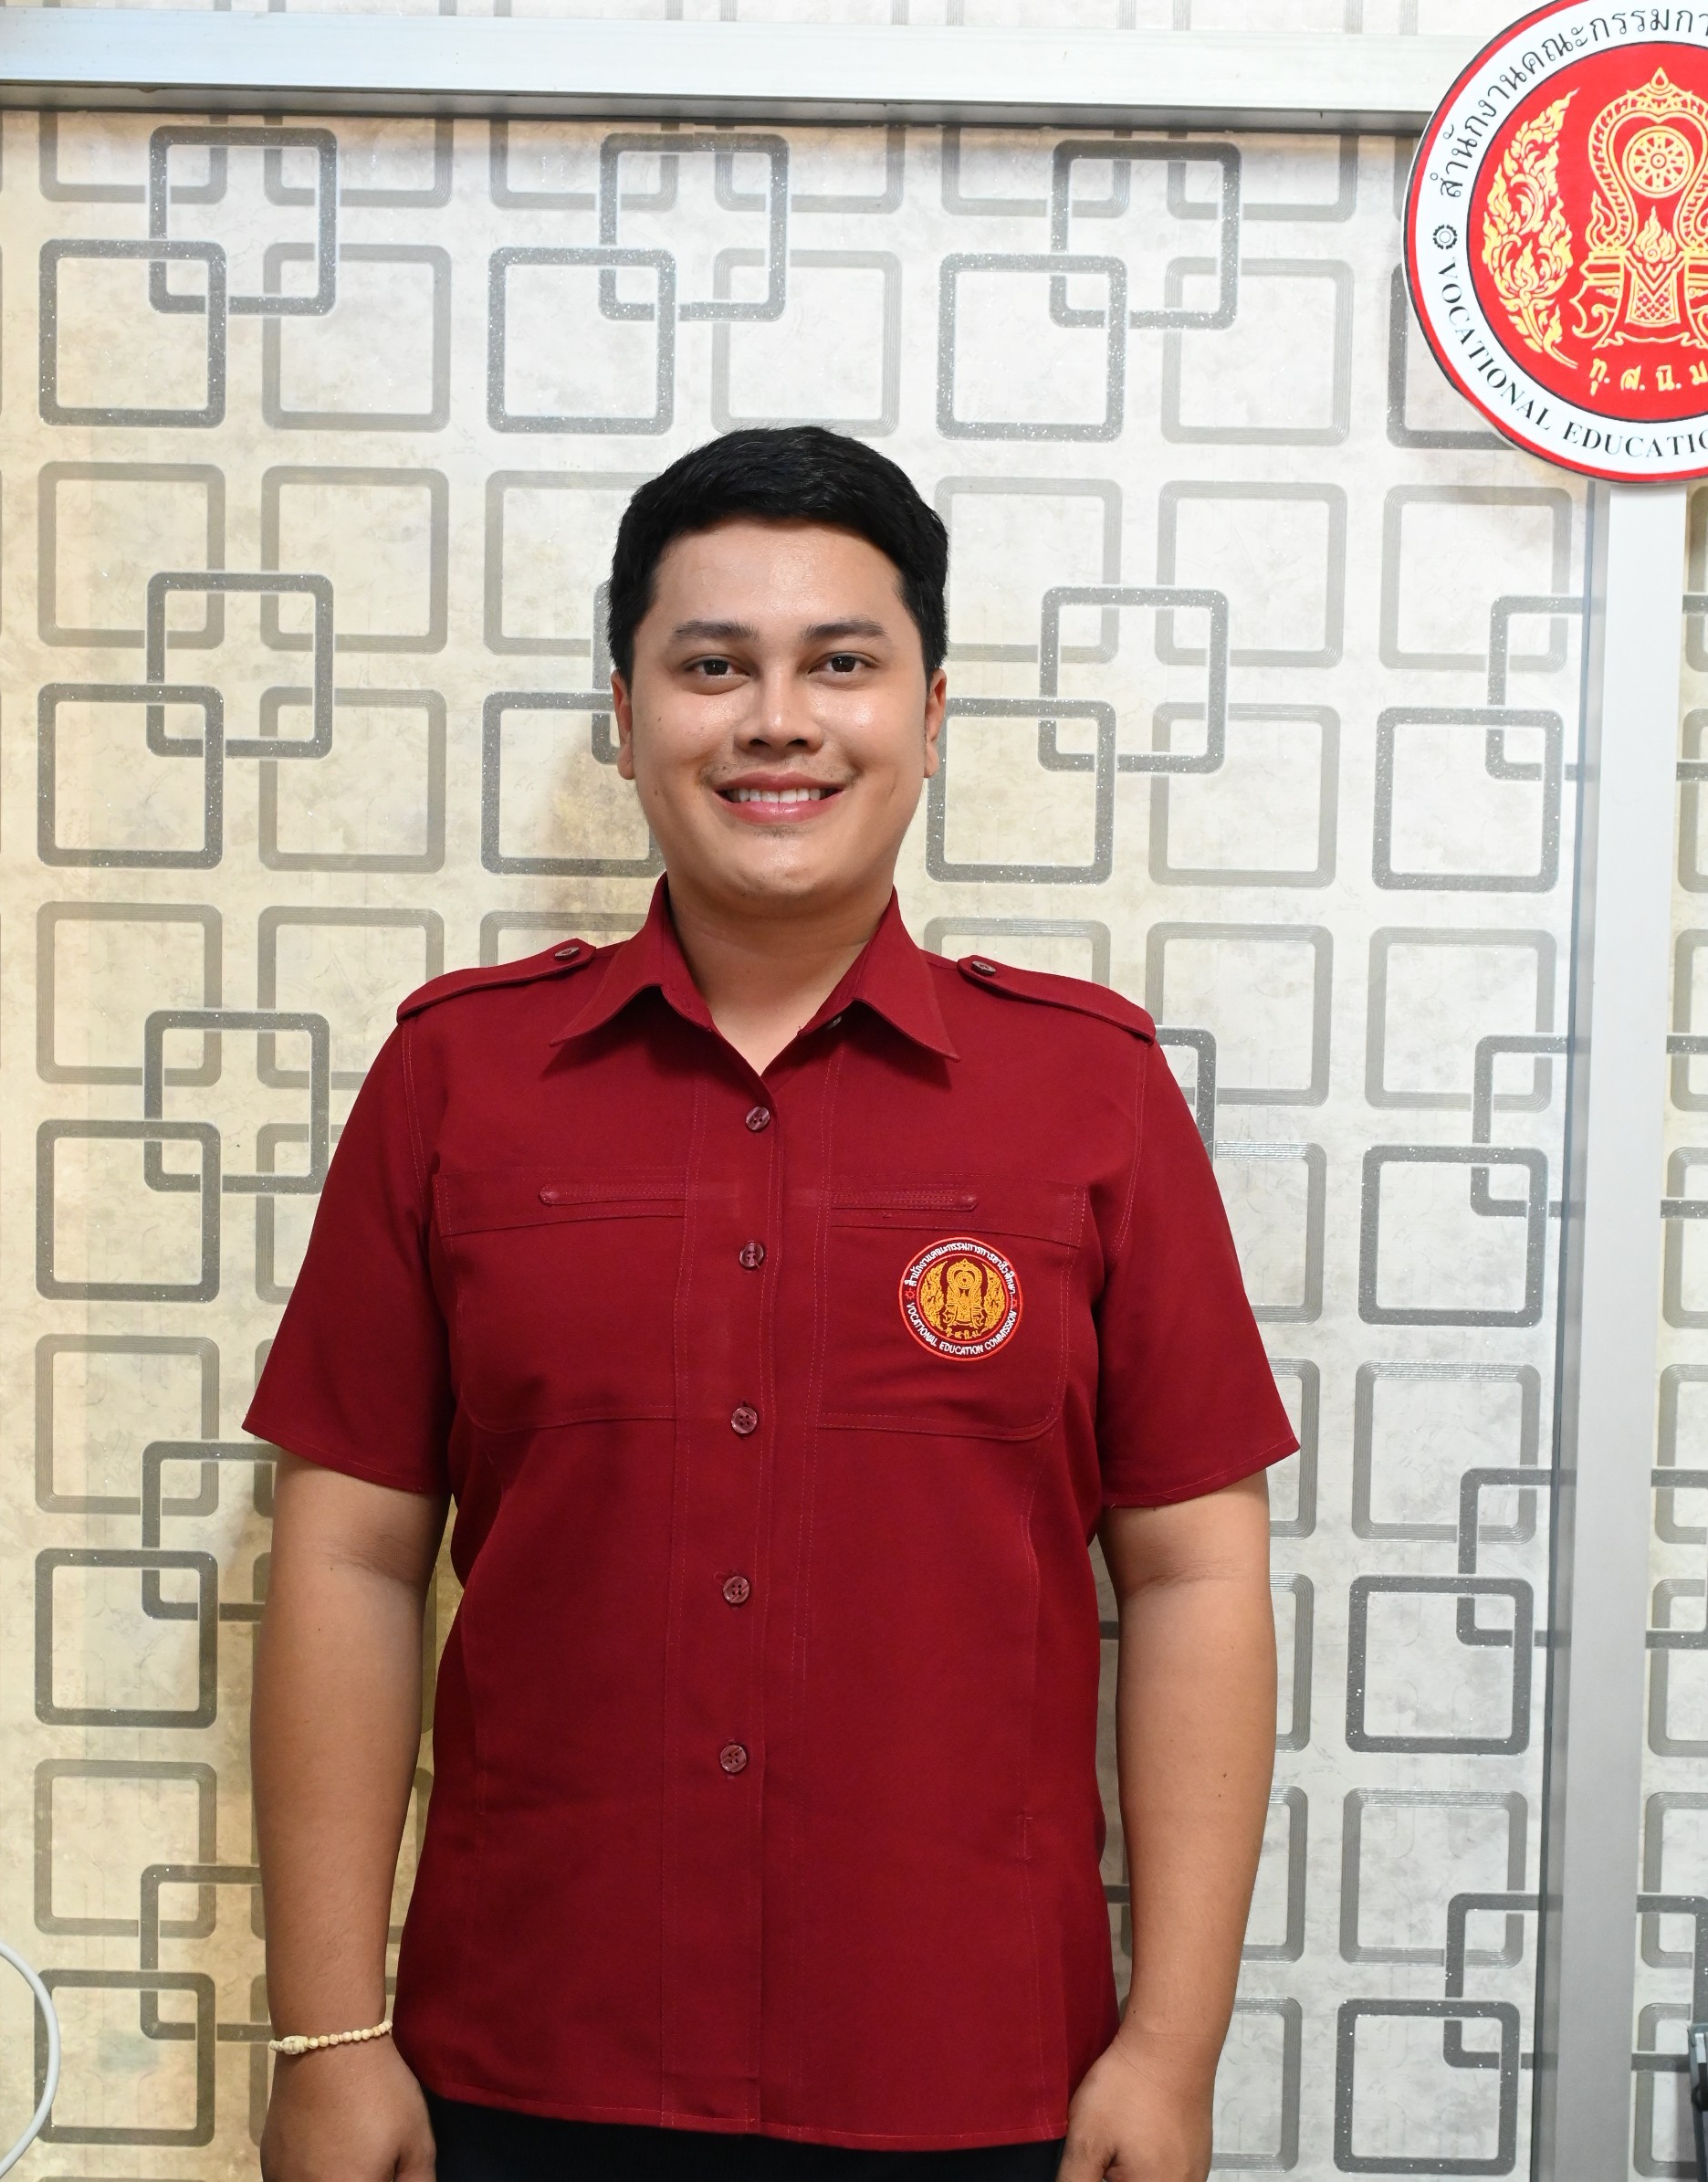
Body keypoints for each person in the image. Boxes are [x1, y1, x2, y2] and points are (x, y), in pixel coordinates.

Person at [247, 425, 1296, 2182]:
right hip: (525, 2064)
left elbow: (1196, 1572)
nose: (779, 720)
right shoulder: (456, 1078)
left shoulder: (1091, 1094)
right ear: (625, 711)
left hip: (980, 2077)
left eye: (842, 664)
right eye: (714, 666)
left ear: (930, 711)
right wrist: (328, 2036)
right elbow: (348, 1555)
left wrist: (1171, 2047)